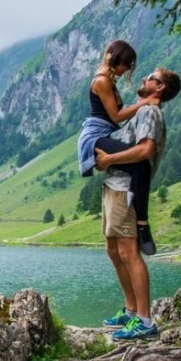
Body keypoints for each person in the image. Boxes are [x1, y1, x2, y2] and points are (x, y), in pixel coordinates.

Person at [95, 67, 181, 340]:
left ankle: (144, 320)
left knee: (129, 252)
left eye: (151, 78)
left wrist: (108, 159)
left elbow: (146, 150)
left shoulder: (149, 112)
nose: (144, 79)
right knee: (114, 250)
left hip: (125, 190)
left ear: (160, 89)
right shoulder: (142, 110)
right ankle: (131, 310)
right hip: (115, 186)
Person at [77, 40, 160, 254]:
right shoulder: (102, 81)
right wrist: (145, 102)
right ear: (116, 60)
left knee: (140, 166)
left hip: (107, 131)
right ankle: (142, 225)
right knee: (141, 166)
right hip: (96, 135)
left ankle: (137, 219)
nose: (126, 70)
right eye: (126, 64)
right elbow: (116, 115)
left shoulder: (109, 78)